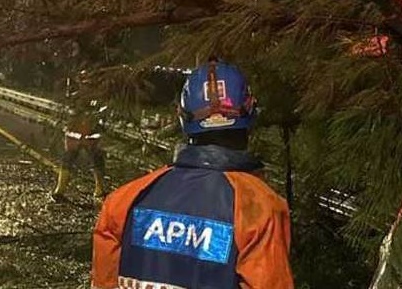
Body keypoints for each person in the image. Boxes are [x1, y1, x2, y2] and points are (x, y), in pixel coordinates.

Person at [90, 59, 294, 289]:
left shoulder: (124, 201)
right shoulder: (259, 208)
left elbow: (103, 283)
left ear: (183, 117)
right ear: (250, 112)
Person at [51, 77, 108, 202]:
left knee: (92, 162)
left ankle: (60, 191)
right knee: (93, 162)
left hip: (82, 137)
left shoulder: (76, 97)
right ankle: (98, 190)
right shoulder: (92, 100)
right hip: (85, 137)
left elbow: (100, 117)